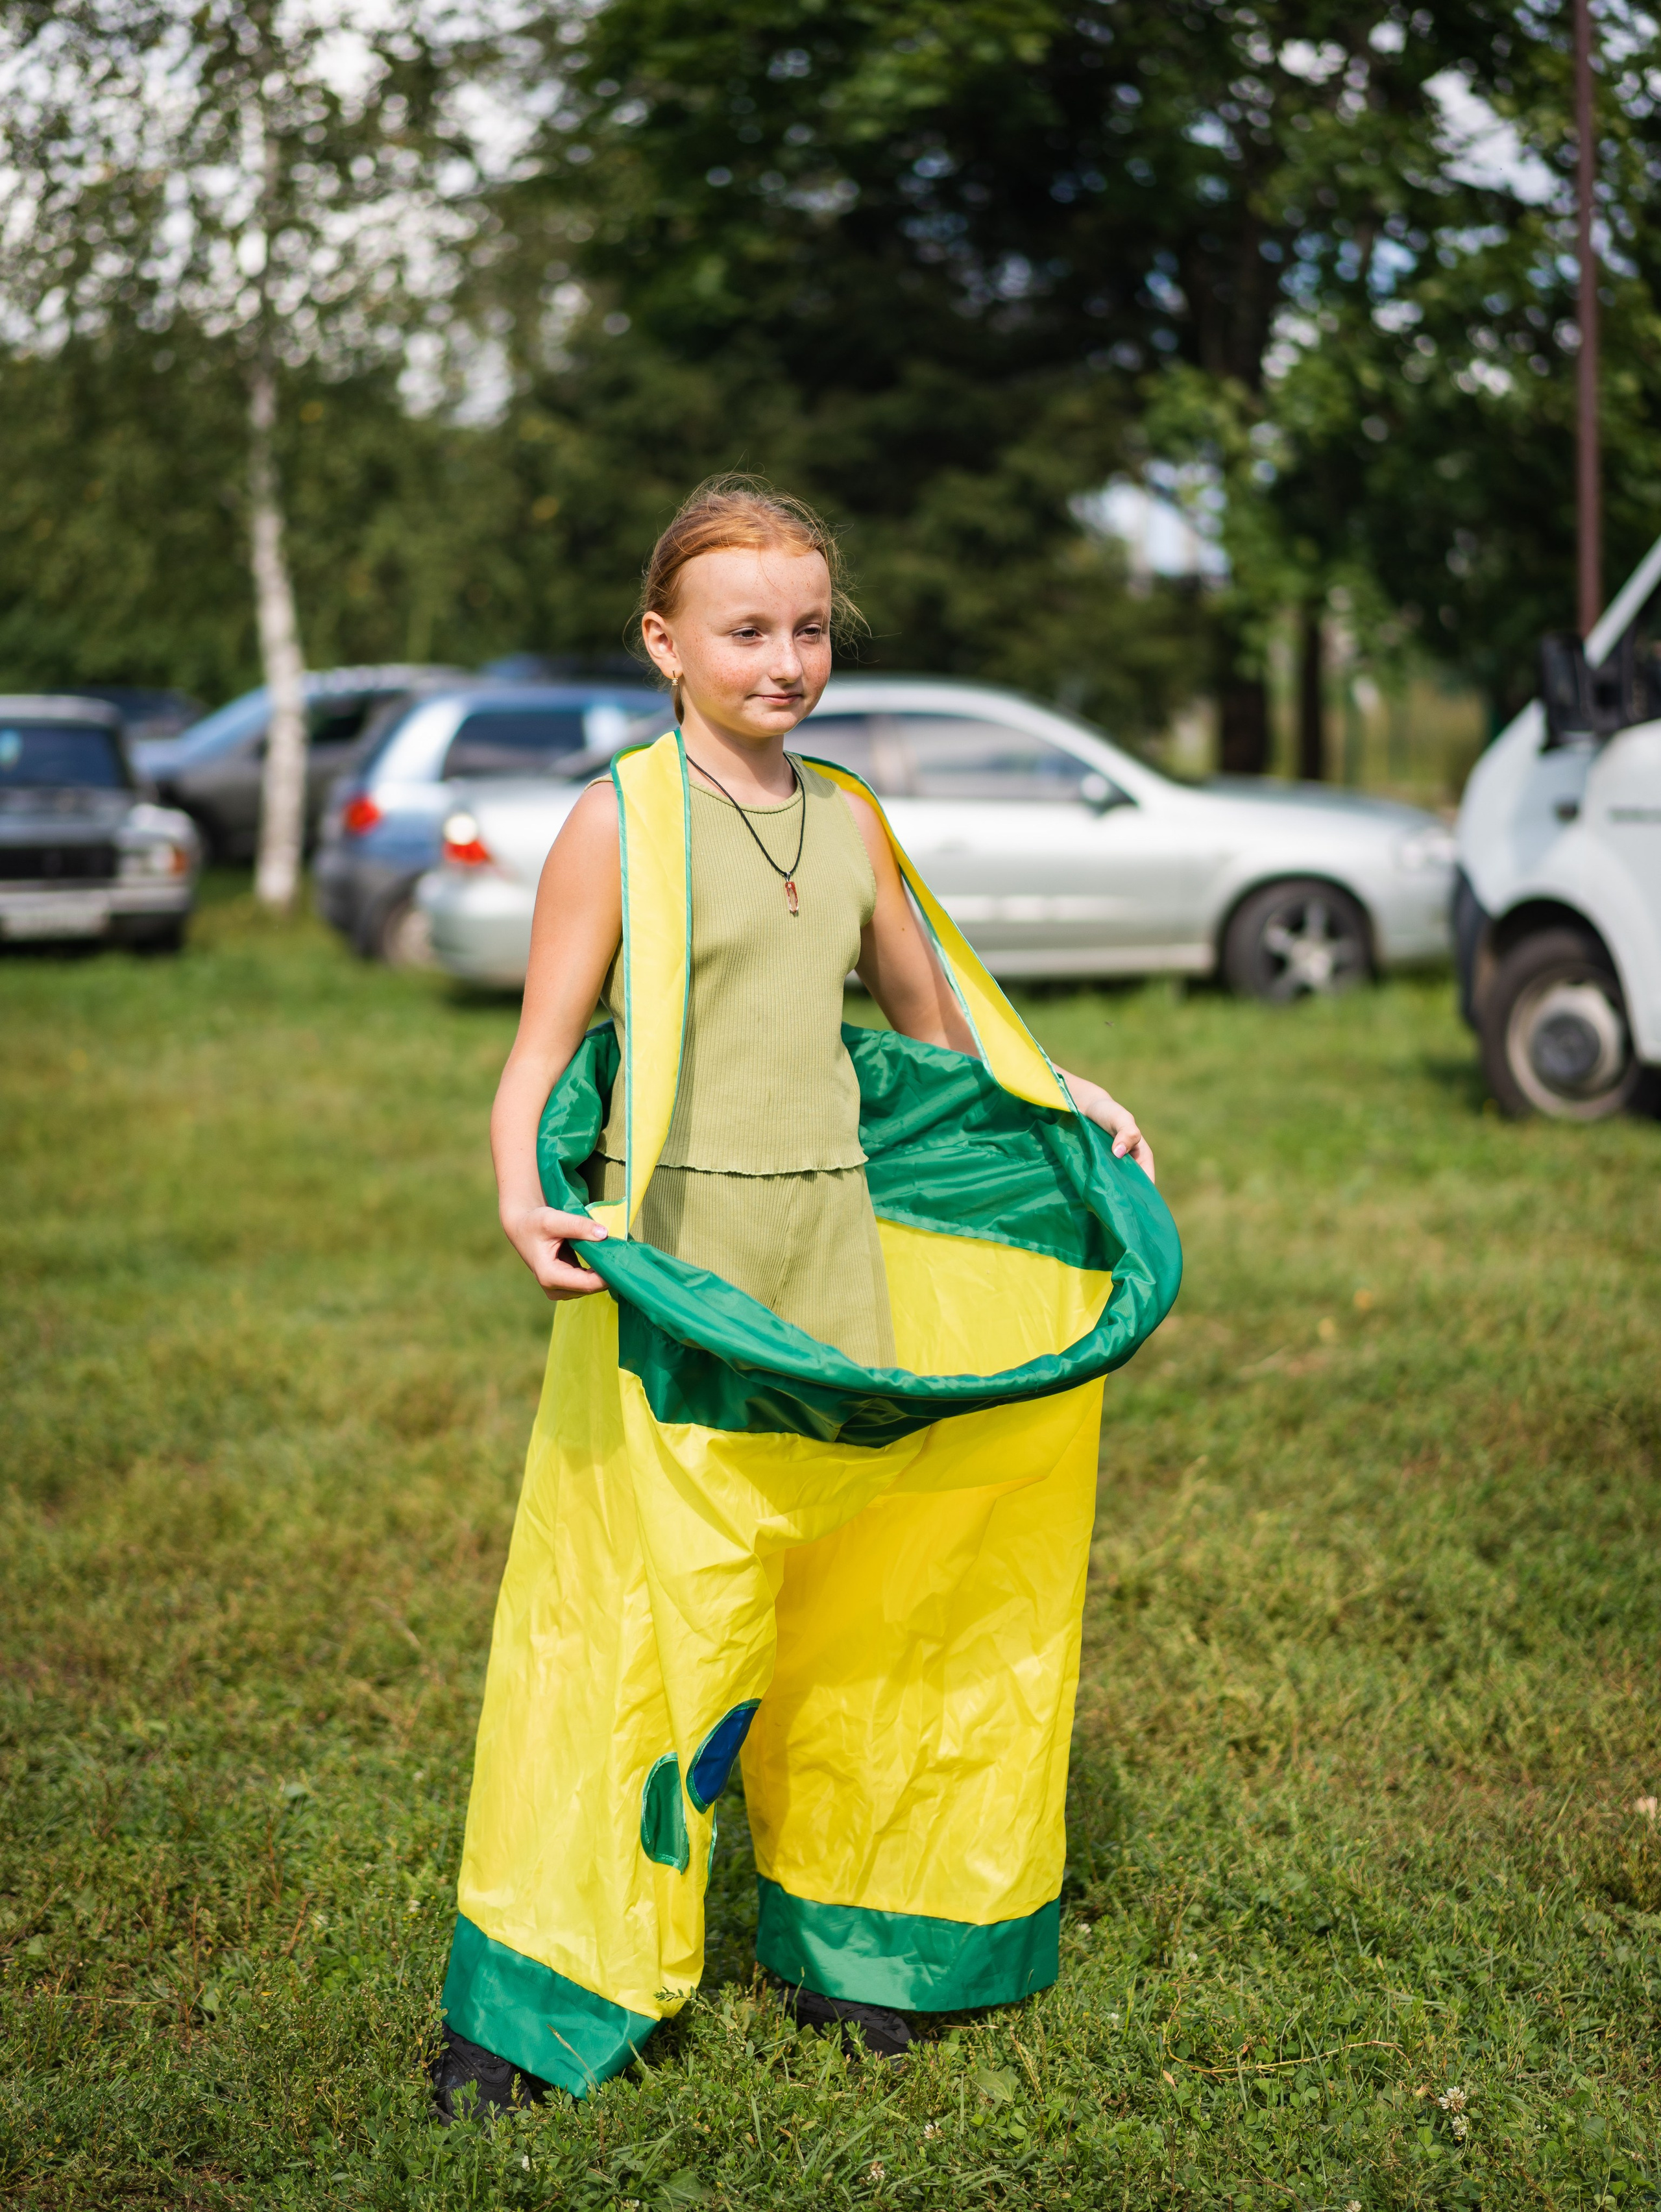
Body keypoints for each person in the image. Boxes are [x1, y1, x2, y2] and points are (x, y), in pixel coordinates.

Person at [433, 477, 1173, 2119]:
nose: (786, 658)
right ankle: (554, 1990)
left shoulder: (844, 818)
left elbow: (928, 1025)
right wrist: (516, 1191)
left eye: (810, 626)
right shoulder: (614, 820)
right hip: (687, 1281)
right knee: (649, 1626)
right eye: (747, 629)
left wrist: (1063, 1094)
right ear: (664, 642)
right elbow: (539, 1052)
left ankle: (853, 1943)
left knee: (848, 1605)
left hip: (831, 1263)